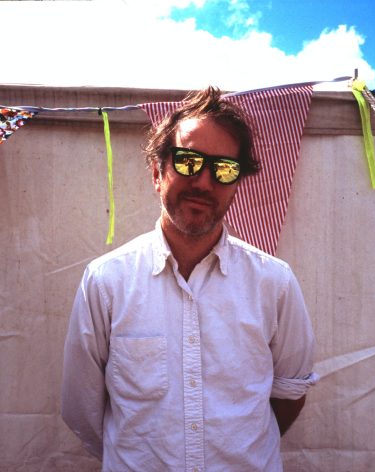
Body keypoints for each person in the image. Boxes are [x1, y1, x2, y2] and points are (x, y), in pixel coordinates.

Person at [61, 86, 318, 472]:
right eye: (188, 161)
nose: (203, 182)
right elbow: (82, 407)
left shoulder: (274, 283)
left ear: (236, 184)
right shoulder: (106, 282)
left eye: (224, 169)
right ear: (157, 172)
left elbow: (290, 393)